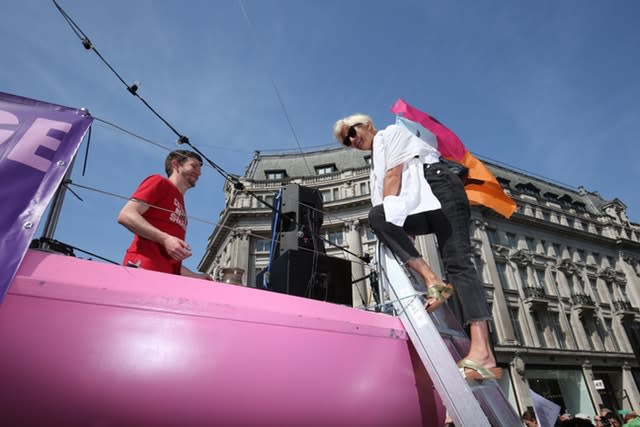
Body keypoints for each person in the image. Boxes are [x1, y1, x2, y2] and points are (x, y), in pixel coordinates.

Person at [333, 113, 501, 380]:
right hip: (420, 205)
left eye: (352, 132)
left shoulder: (391, 134)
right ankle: (434, 280)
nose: (352, 140)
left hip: (440, 186)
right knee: (377, 216)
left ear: (368, 125)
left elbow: (394, 176)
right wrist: (396, 226)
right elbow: (385, 203)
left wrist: (393, 219)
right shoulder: (373, 162)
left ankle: (483, 351)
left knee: (458, 261)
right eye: (346, 140)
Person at [118, 149, 212, 280]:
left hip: (166, 278)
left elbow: (168, 255)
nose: (199, 173)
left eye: (200, 169)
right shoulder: (159, 182)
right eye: (194, 166)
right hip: (143, 269)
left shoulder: (181, 205)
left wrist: (196, 276)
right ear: (176, 164)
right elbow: (126, 215)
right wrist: (165, 239)